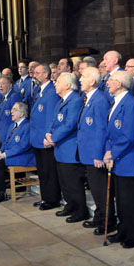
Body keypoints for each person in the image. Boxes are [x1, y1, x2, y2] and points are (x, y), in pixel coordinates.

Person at [103, 71, 134, 249]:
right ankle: (123, 230)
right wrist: (108, 151)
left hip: (128, 159)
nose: (108, 83)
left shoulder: (131, 104)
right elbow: (109, 133)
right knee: (120, 199)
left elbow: (129, 135)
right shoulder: (115, 103)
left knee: (130, 200)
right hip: (117, 158)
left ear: (120, 84)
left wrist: (113, 153)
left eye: (111, 80)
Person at [77, 67, 116, 235]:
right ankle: (100, 216)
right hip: (88, 152)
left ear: (92, 81)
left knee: (100, 190)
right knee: (95, 188)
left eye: (83, 77)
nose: (80, 79)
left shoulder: (100, 100)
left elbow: (102, 129)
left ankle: (108, 221)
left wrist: (98, 154)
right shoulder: (90, 98)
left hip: (95, 154)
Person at [44, 72, 88, 222]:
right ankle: (70, 205)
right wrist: (48, 135)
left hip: (69, 147)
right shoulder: (61, 100)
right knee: (64, 181)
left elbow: (70, 124)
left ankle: (80, 211)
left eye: (58, 82)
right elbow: (54, 120)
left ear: (68, 85)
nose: (55, 84)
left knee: (73, 182)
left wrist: (53, 138)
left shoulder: (75, 100)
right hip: (60, 148)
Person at [0, 102, 36, 204]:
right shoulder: (12, 125)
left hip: (24, 156)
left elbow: (23, 146)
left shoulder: (27, 126)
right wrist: (0, 151)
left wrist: (5, 155)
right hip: (13, 155)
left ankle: (2, 194)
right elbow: (6, 142)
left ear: (21, 114)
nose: (11, 112)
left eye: (14, 110)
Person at [30, 64, 62, 210]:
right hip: (36, 138)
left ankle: (52, 199)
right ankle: (45, 197)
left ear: (45, 74)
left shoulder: (51, 91)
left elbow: (51, 117)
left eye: (37, 73)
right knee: (42, 171)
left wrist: (48, 136)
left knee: (49, 171)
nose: (34, 75)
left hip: (44, 138)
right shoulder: (39, 90)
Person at [0, 77, 22, 144]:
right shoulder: (4, 97)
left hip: (10, 135)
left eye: (3, 83)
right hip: (4, 134)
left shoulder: (14, 96)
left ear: (10, 85)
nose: (0, 86)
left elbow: (18, 117)